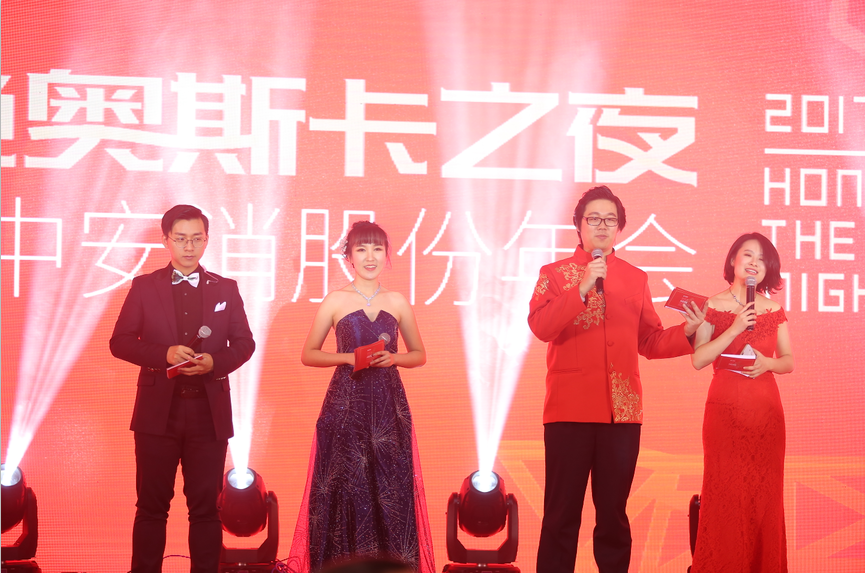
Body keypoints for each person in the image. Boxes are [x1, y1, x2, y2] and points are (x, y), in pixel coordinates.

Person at [528, 185, 706, 573]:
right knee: (561, 516)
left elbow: (650, 341)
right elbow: (541, 326)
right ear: (578, 225)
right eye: (593, 218)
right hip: (568, 412)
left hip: (622, 414)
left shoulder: (635, 278)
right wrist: (582, 288)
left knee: (613, 517)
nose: (602, 226)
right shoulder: (554, 274)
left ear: (620, 228)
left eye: (611, 220)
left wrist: (689, 332)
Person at [110, 204, 255, 573]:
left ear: (206, 240)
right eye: (180, 239)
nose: (189, 247)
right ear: (165, 241)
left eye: (196, 239)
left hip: (208, 413)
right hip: (157, 413)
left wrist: (215, 362)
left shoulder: (225, 288)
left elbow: (245, 343)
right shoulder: (144, 286)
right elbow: (120, 342)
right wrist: (164, 354)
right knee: (151, 508)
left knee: (206, 509)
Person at [289, 221, 435, 573]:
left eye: (377, 249)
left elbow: (419, 354)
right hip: (345, 407)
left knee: (390, 490)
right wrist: (348, 358)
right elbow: (309, 354)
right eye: (362, 249)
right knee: (345, 489)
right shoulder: (336, 300)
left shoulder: (397, 301)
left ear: (387, 255)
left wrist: (394, 358)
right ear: (349, 256)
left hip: (388, 408)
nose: (370, 257)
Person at [690, 232, 793, 573]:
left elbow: (788, 360)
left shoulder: (774, 310)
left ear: (768, 269)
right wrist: (734, 328)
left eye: (762, 259)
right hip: (725, 413)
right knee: (724, 494)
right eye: (747, 255)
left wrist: (768, 363)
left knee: (764, 498)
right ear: (733, 260)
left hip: (765, 414)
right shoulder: (712, 305)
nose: (753, 263)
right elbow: (699, 359)